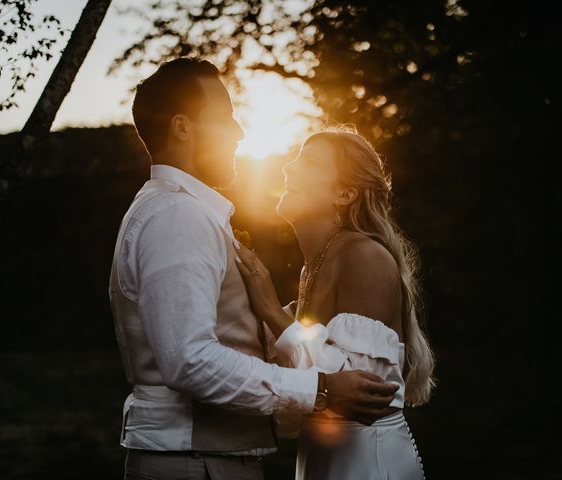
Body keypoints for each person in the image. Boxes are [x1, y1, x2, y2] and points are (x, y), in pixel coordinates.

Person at [108, 58, 400, 480]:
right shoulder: (178, 215)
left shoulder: (186, 212)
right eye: (225, 117)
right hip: (196, 463)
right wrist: (319, 389)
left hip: (208, 459)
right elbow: (189, 361)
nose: (239, 132)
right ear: (183, 127)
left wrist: (273, 318)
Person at [234, 126, 436, 480]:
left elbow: (361, 397)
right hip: (322, 459)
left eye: (309, 161)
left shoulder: (363, 256)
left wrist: (269, 309)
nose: (288, 168)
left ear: (345, 193)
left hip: (367, 465)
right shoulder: (312, 266)